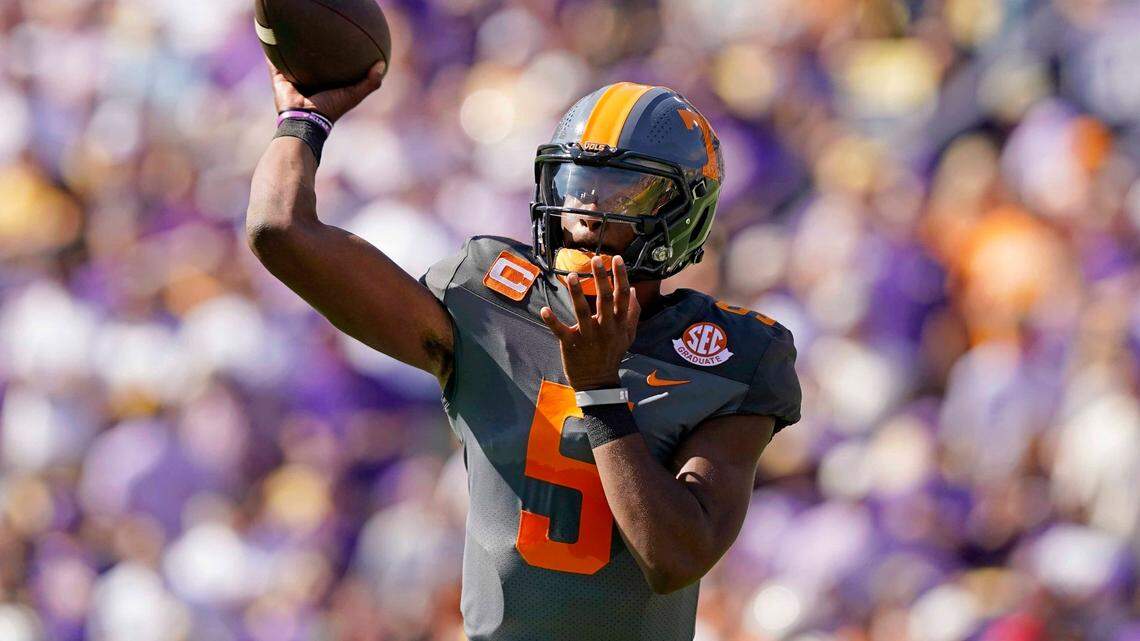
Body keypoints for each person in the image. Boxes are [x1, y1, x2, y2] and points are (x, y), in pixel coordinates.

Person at [247, 60, 802, 641]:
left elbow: (675, 558)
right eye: (575, 183)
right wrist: (303, 119)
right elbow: (279, 229)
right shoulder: (490, 294)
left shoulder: (734, 354)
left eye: (622, 190)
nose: (586, 209)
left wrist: (602, 393)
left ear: (681, 211)